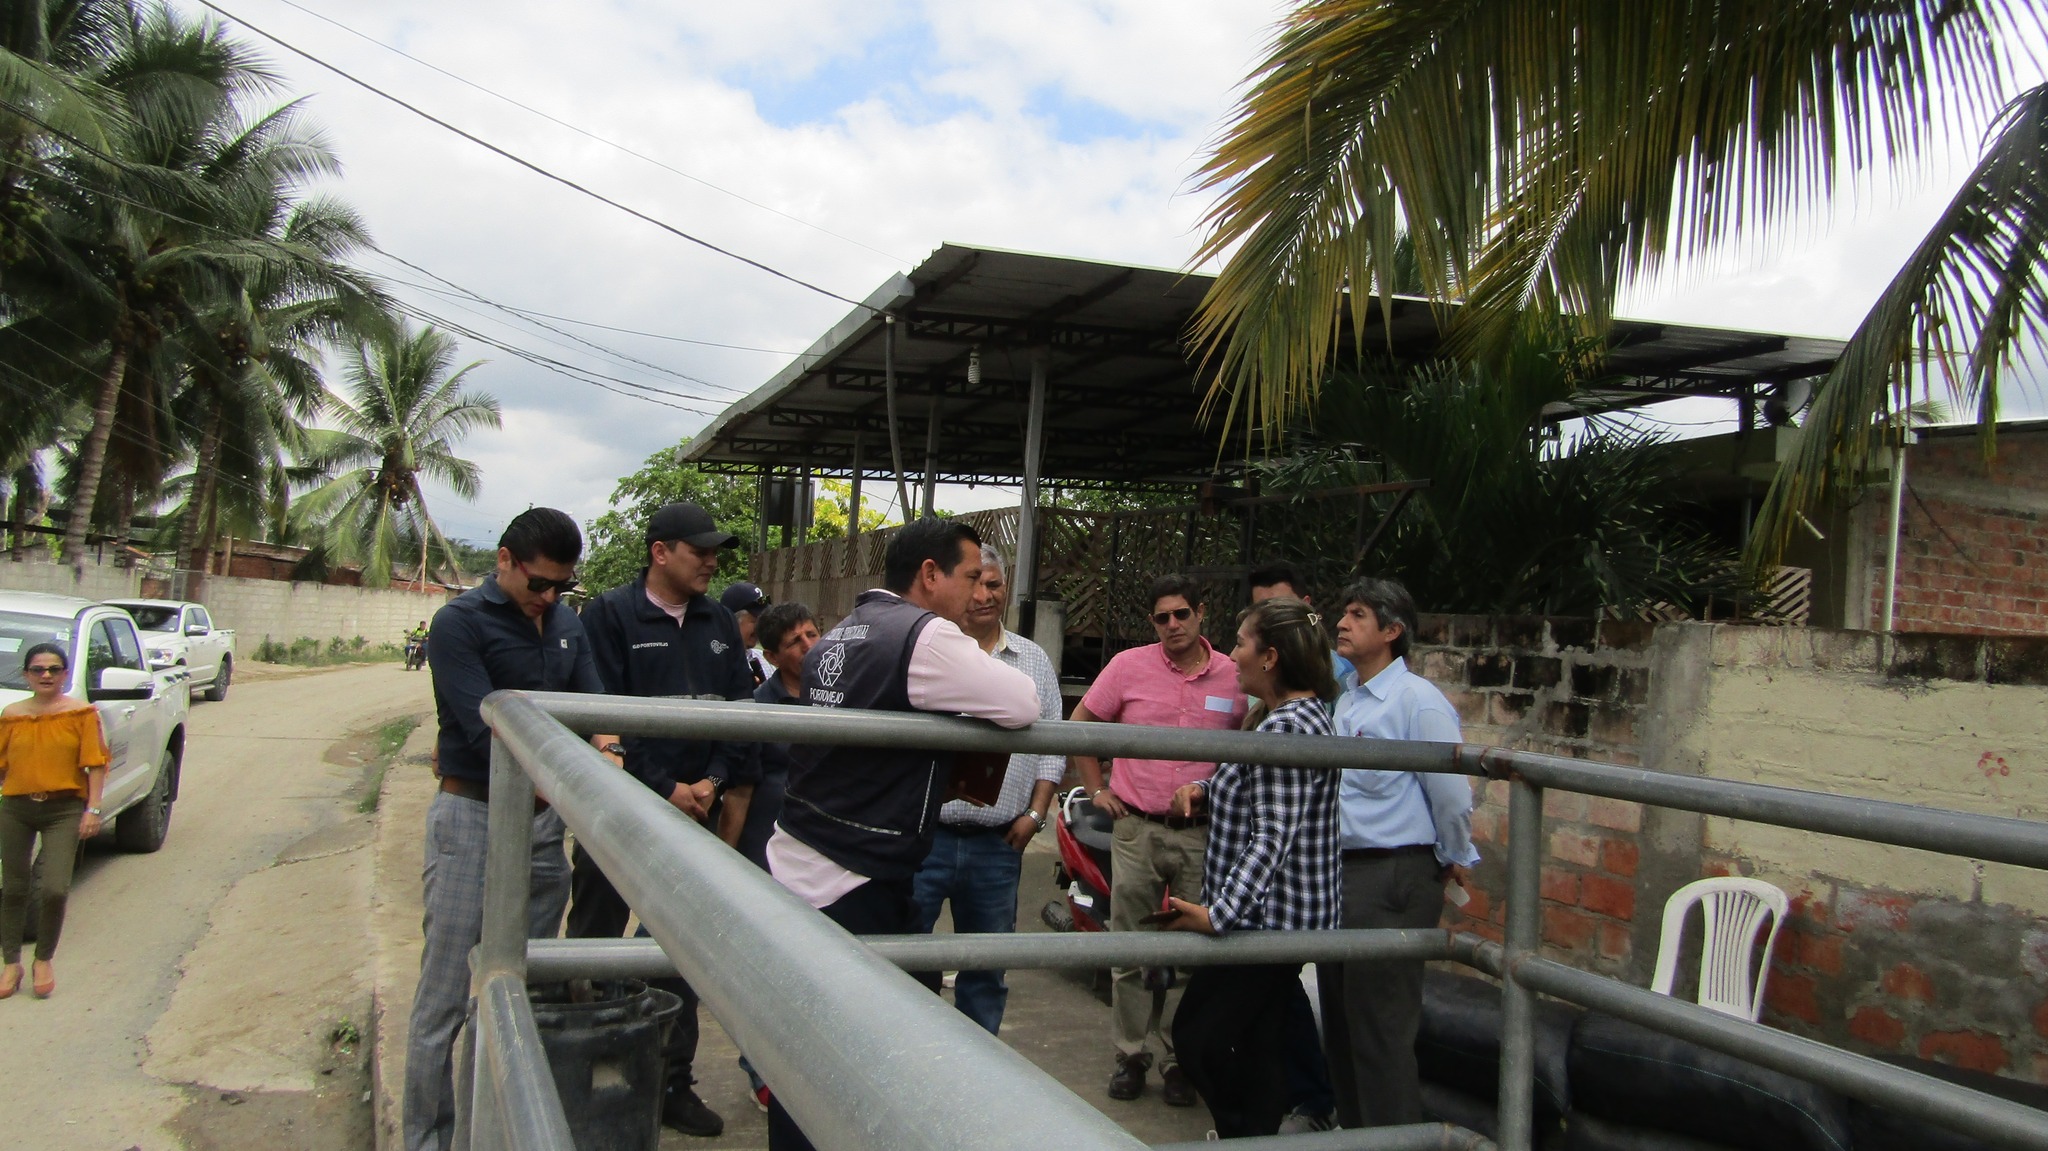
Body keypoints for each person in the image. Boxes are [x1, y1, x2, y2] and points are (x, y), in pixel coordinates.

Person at [765, 516, 1039, 1151]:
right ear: (930, 575)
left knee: (812, 1045)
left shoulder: (843, 630)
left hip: (806, 854)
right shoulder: (926, 635)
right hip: (855, 874)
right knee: (853, 1050)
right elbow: (1022, 703)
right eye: (969, 577)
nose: (977, 594)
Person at [404, 508, 608, 1151]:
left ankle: (484, 1135)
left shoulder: (567, 623)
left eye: (561, 587)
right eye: (538, 583)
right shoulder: (458, 624)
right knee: (445, 996)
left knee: (513, 994)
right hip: (474, 818)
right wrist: (571, 789)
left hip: (541, 832)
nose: (548, 598)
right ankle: (427, 1139)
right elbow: (482, 731)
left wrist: (610, 751)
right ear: (504, 562)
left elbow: (593, 708)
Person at [575, 501, 757, 1138]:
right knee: (596, 939)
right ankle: (589, 1073)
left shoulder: (718, 622)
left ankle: (671, 1082)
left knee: (681, 949)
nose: (711, 562)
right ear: (660, 552)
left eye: (714, 552)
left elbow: (740, 711)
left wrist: (712, 782)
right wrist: (662, 787)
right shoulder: (610, 615)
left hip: (696, 810)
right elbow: (600, 711)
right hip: (618, 811)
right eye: (699, 551)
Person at [1159, 595, 1342, 1137]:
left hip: (1267, 920)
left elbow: (1273, 835)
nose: (1232, 654)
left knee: (1199, 1037)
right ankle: (1252, 1135)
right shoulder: (1292, 718)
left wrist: (1218, 914)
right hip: (1272, 917)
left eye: (1241, 643)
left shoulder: (1288, 730)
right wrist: (1206, 789)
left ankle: (1243, 1133)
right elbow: (1264, 794)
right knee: (1260, 1043)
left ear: (1270, 657)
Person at [1069, 574, 1246, 1106]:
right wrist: (1096, 789)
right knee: (1129, 947)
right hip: (1137, 828)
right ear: (1152, 623)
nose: (1172, 625)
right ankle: (1130, 1055)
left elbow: (1250, 749)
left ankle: (1179, 1058)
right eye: (1162, 617)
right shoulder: (1128, 667)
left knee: (1192, 951)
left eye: (1181, 614)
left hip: (1201, 834)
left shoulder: (1235, 676)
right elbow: (1081, 723)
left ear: (1200, 613)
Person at [1320, 577, 1478, 1130]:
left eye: (1358, 615)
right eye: (1345, 612)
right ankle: (1355, 1136)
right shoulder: (1347, 701)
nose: (1342, 624)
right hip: (1341, 873)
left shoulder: (1417, 701)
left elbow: (1452, 794)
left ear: (1392, 631)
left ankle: (1394, 1140)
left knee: (1380, 1032)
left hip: (1391, 873)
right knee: (1341, 1026)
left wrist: (1453, 855)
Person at [909, 544, 1065, 1035]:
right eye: (974, 583)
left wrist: (1035, 815)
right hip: (926, 838)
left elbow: (1054, 744)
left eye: (994, 585)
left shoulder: (1032, 659)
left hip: (999, 844)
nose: (983, 596)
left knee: (987, 969)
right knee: (907, 960)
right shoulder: (928, 653)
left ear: (1006, 588)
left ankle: (977, 1064)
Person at [734, 599, 819, 1113]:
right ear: (771, 655)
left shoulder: (838, 696)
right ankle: (759, 1069)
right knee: (767, 966)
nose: (808, 646)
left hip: (822, 851)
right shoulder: (758, 708)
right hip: (768, 847)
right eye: (794, 642)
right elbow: (741, 790)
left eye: (812, 634)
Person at [0, 643, 109, 1000]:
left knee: (55, 889)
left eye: (53, 669)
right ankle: (11, 963)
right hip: (16, 808)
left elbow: (96, 764)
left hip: (64, 809)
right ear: (26, 675)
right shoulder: (12, 715)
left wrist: (93, 809)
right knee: (13, 888)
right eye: (38, 669)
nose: (46, 675)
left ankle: (43, 959)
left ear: (64, 674)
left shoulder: (81, 713)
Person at [1248, 561, 1353, 685]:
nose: (1271, 617)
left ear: (1306, 605)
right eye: (1261, 609)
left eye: (1281, 607)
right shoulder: (1246, 671)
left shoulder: (1345, 673)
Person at [720, 581, 775, 686]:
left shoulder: (763, 658)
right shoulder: (715, 662)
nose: (761, 627)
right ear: (731, 620)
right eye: (755, 621)